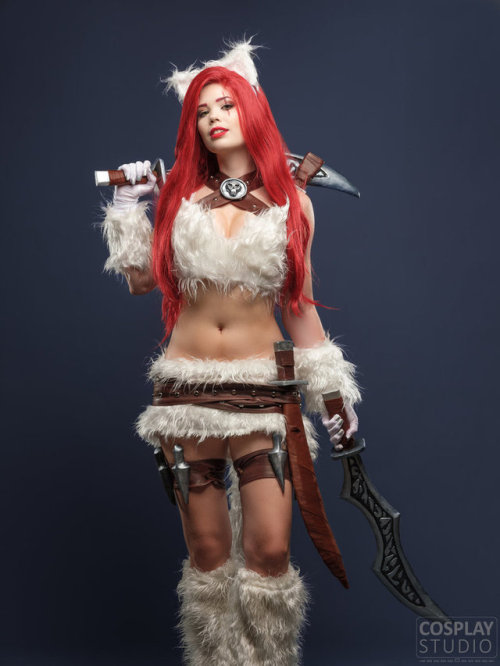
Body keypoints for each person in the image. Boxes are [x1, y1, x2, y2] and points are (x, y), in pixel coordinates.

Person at [100, 39, 361, 666]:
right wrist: (129, 207)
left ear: (251, 109)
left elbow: (299, 308)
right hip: (186, 393)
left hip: (263, 393)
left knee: (269, 553)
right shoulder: (178, 196)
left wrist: (334, 397)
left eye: (226, 104)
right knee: (209, 556)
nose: (214, 117)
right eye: (201, 111)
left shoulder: (293, 201)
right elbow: (141, 282)